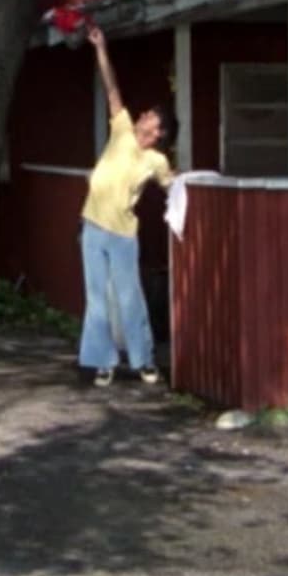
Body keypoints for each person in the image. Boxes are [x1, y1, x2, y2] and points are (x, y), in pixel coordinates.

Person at [78, 24, 177, 387]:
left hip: (122, 234)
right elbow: (112, 89)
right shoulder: (121, 129)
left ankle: (143, 360)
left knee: (129, 296)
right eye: (146, 113)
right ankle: (104, 361)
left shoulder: (156, 161)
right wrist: (101, 48)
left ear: (159, 132)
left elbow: (173, 188)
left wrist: (190, 191)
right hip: (92, 227)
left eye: (150, 116)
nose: (144, 116)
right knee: (97, 299)